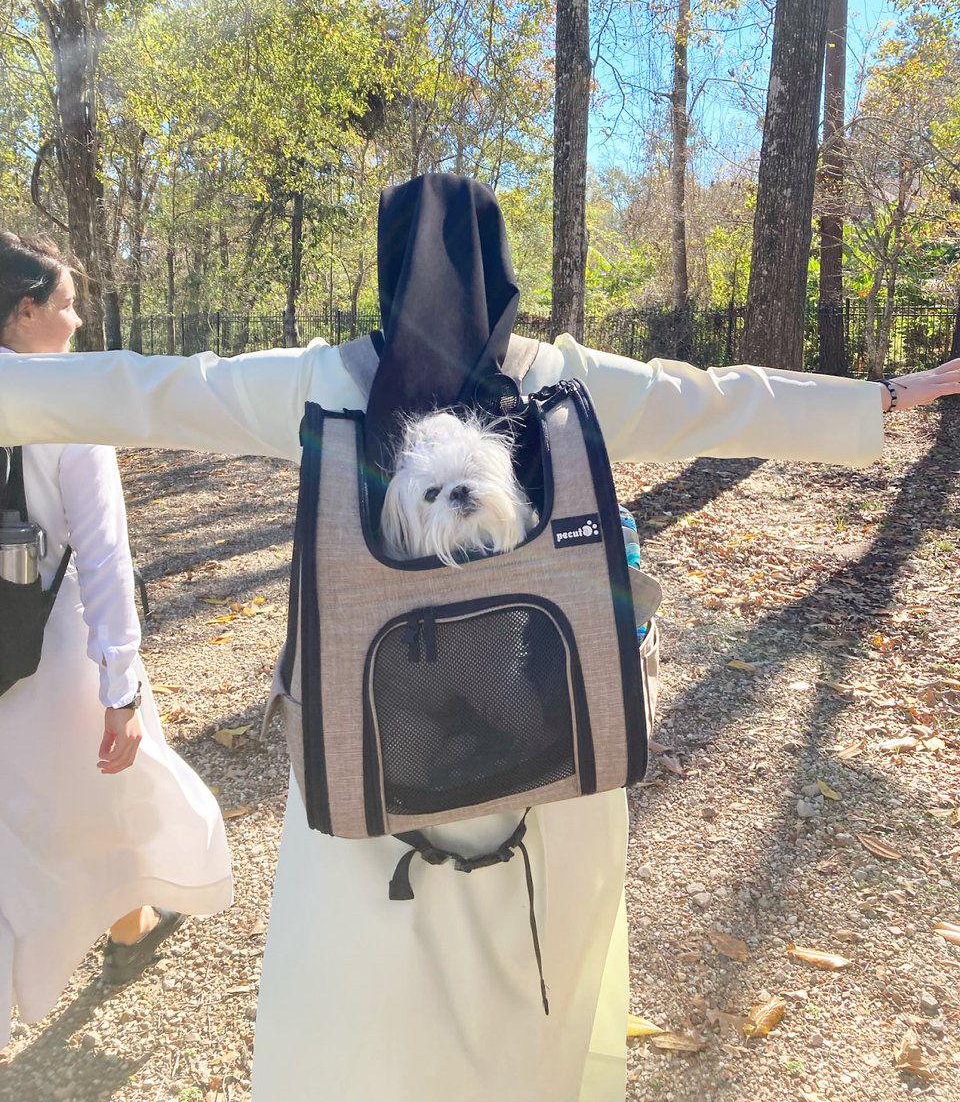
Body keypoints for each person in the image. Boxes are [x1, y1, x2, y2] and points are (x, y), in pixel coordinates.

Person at [0, 178, 956, 1101]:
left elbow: (146, 391)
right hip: (551, 759)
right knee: (530, 1003)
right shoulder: (554, 378)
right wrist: (880, 398)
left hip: (369, 763)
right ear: (504, 270)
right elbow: (706, 400)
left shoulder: (325, 379)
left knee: (369, 1010)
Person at [0, 233, 232, 1051]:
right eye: (65, 304)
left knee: (22, 826)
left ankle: (109, 933)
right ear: (24, 312)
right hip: (55, 649)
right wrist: (122, 684)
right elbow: (102, 554)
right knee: (110, 796)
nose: (77, 320)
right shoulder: (69, 399)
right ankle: (129, 927)